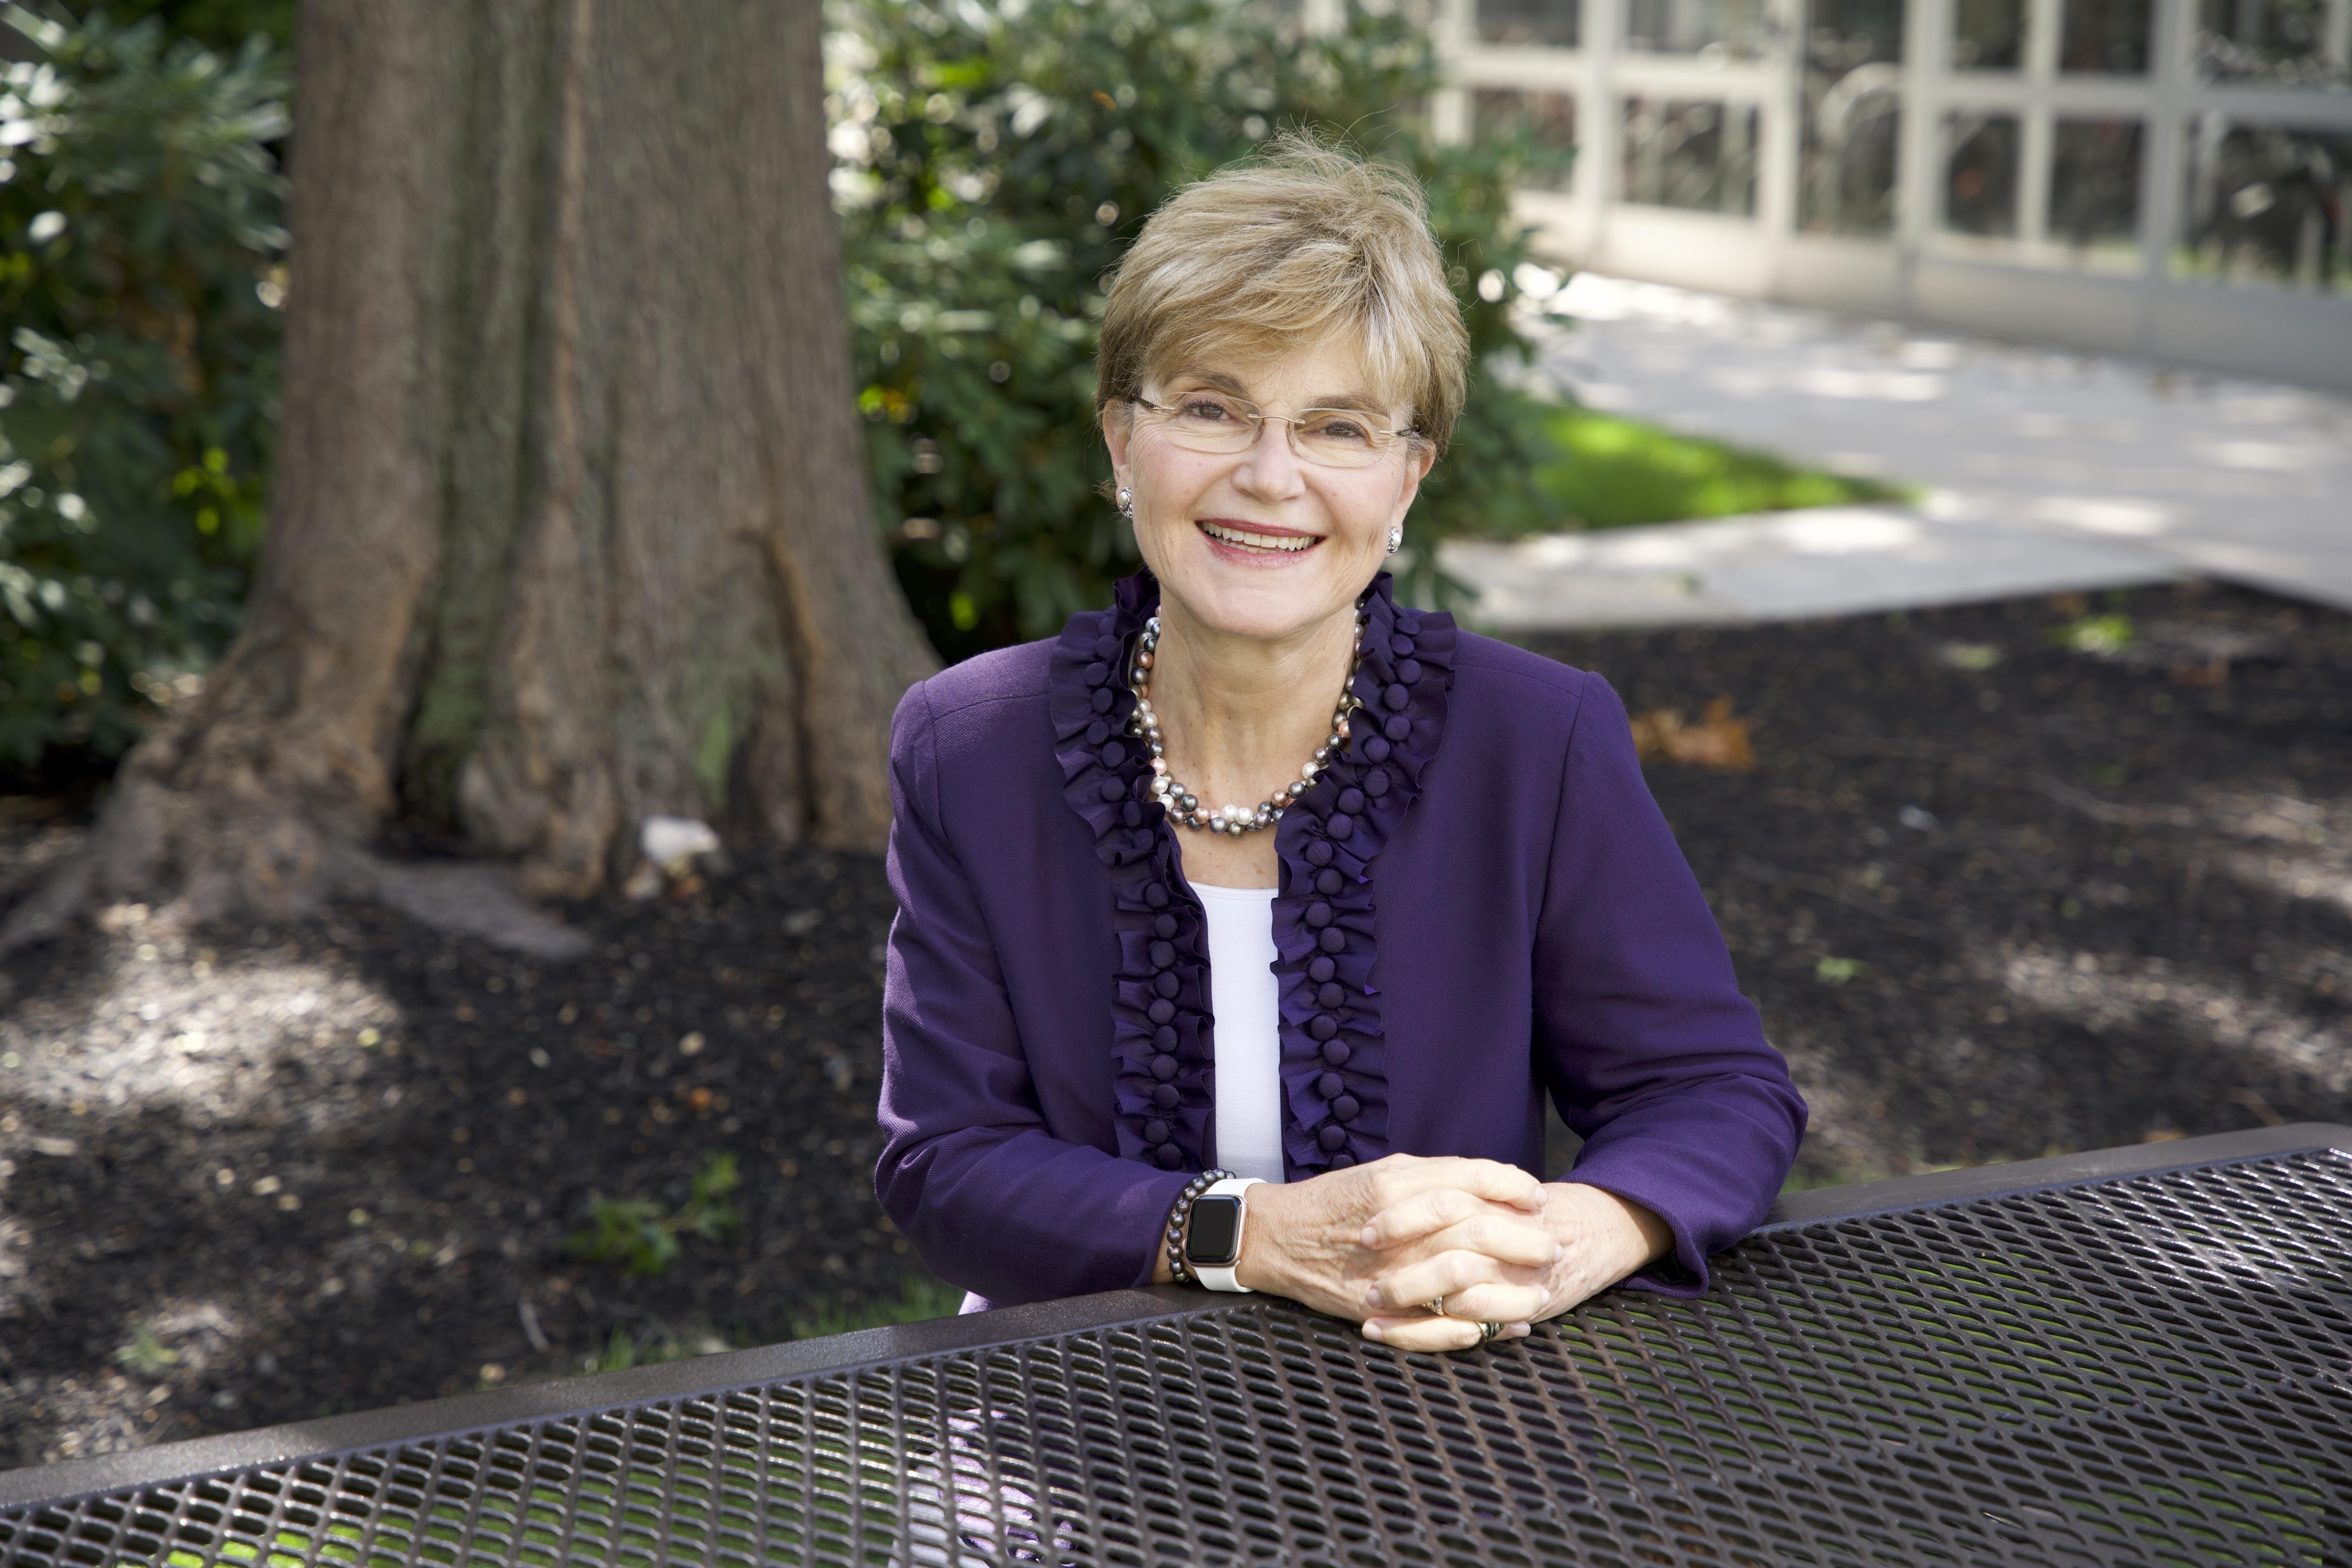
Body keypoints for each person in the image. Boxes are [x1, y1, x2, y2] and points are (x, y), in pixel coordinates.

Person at [875, 138, 1805, 1353]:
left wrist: (1564, 1236)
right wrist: (1248, 1235)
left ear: (1408, 478)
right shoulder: (970, 745)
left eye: (1339, 428)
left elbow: (1713, 1092)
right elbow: (944, 1163)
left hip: (1435, 1416)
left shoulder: (1535, 738)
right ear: (1120, 443)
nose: (1271, 478)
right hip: (1073, 1414)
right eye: (1211, 409)